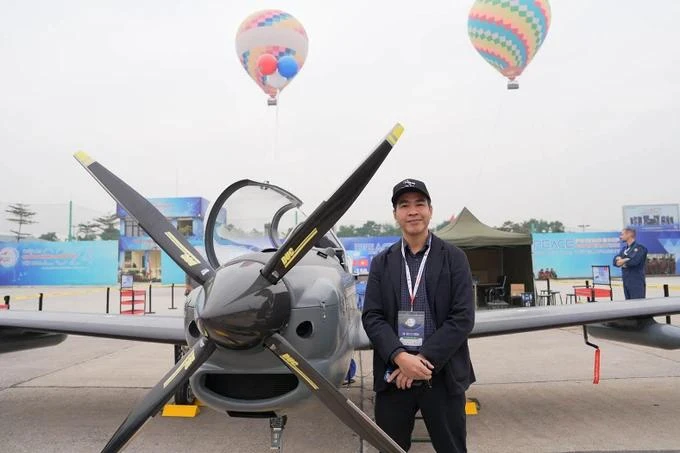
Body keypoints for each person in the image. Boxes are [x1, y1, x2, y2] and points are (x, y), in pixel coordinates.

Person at [362, 178, 475, 452]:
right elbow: (372, 317)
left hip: (440, 374)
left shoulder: (454, 258)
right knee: (390, 448)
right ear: (395, 215)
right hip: (394, 375)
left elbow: (462, 318)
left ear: (430, 210)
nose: (412, 211)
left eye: (419, 204)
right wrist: (401, 357)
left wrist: (421, 361)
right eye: (404, 205)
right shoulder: (382, 262)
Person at [613, 228, 648, 299]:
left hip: (636, 282)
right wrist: (626, 259)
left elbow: (633, 262)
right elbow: (615, 262)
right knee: (629, 306)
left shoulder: (640, 248)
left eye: (622, 234)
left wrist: (622, 261)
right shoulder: (624, 249)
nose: (620, 237)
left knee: (637, 306)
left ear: (629, 234)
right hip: (626, 282)